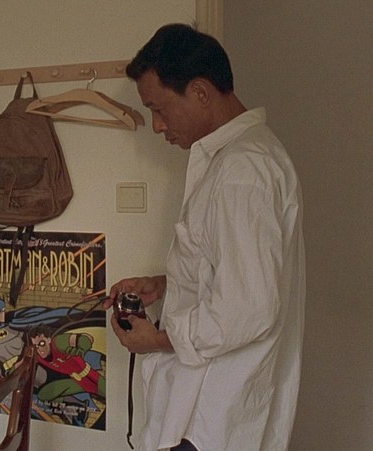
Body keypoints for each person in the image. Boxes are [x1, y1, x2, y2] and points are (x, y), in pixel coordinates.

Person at [105, 24, 305, 451]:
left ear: (199, 92)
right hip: (207, 413)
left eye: (159, 109)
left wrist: (157, 339)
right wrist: (167, 284)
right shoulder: (238, 159)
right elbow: (235, 272)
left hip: (209, 416)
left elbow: (249, 306)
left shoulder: (242, 171)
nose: (157, 126)